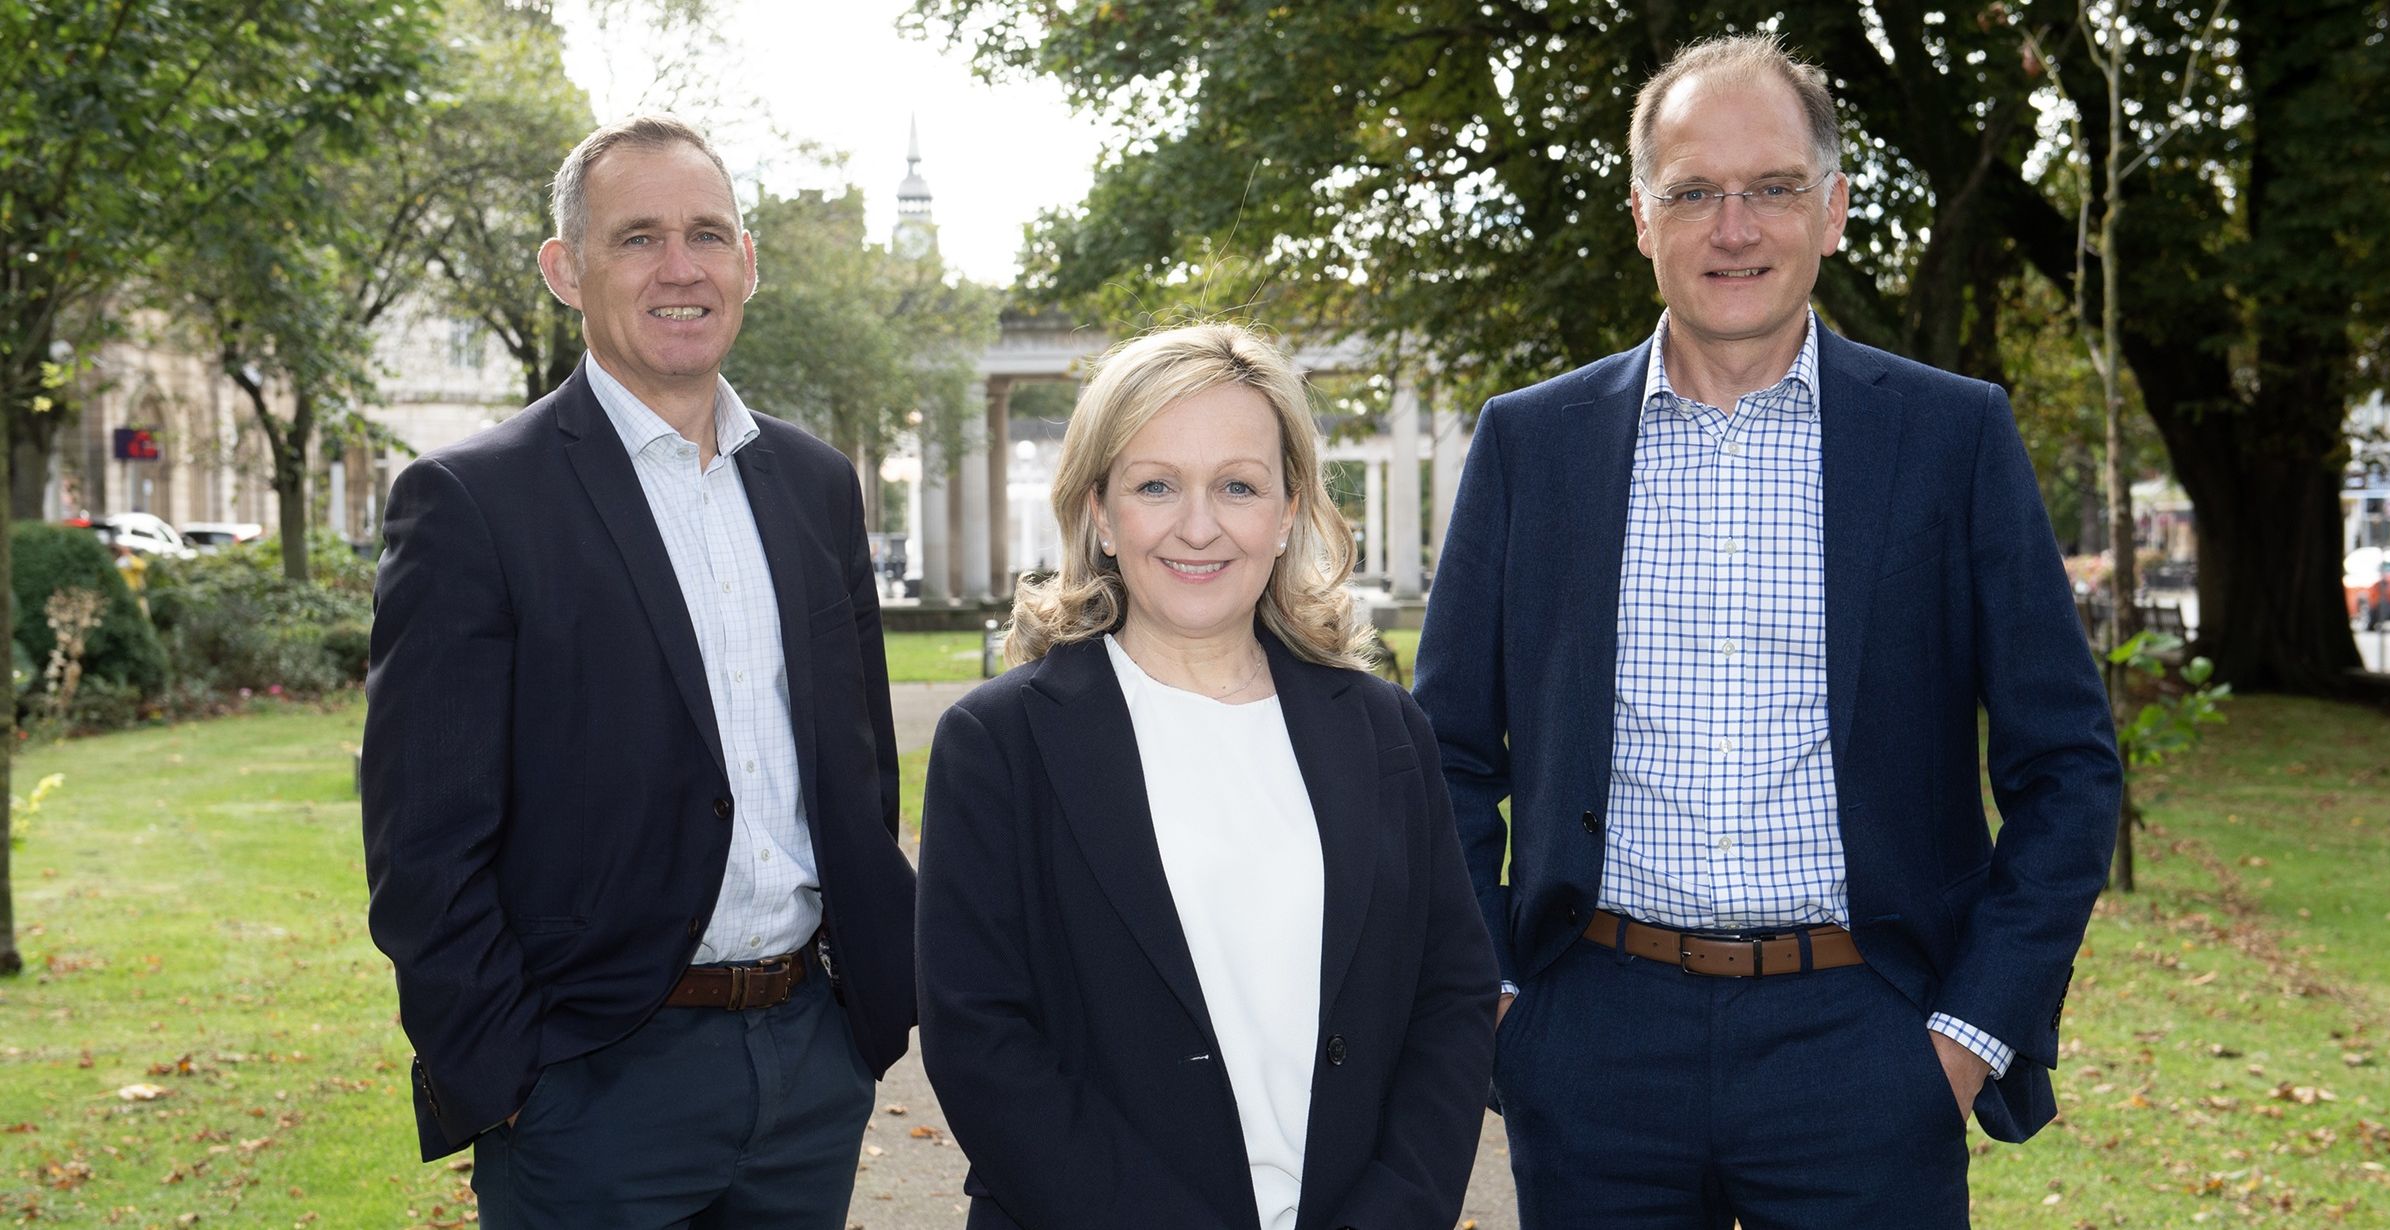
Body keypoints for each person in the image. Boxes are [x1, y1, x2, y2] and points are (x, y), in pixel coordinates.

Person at [1414, 35, 2121, 1228]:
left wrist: (1964, 1036)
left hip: (1867, 1043)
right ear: (1643, 219)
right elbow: (1442, 757)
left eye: (1772, 188)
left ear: (1833, 211)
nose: (1731, 228)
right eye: (1692, 191)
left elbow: (2066, 766)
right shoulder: (1531, 446)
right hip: (1594, 1045)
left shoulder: (1952, 440)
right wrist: (1504, 1014)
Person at [361, 115, 914, 1228]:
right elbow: (422, 842)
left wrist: (865, 1019)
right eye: (638, 238)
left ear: (747, 264)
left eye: (708, 234)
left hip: (809, 1063)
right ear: (566, 270)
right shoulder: (472, 504)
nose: (681, 268)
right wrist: (510, 1075)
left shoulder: (815, 486)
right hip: (592, 1086)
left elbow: (859, 767)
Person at [917, 323, 1497, 1230]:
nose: (1199, 525)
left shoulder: (1385, 731)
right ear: (1101, 513)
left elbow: (1451, 998)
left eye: (1237, 485)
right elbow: (983, 1043)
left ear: (1288, 509)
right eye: (1156, 485)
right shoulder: (998, 745)